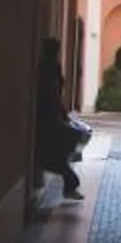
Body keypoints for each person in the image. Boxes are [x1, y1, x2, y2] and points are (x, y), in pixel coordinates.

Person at [34, 39, 84, 201]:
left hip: (47, 115)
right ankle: (71, 183)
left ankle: (70, 182)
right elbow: (53, 92)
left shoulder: (45, 65)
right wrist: (63, 114)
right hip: (50, 115)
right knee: (60, 150)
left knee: (57, 151)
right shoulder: (51, 67)